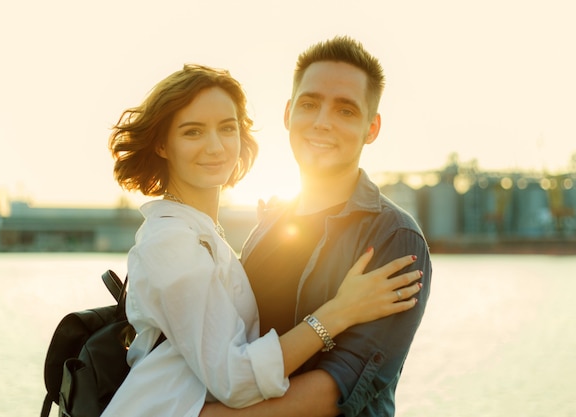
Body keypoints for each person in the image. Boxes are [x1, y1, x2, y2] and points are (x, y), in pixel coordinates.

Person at [100, 63, 423, 417]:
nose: (215, 146)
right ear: (162, 144)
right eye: (193, 132)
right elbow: (234, 379)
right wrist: (337, 313)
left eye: (227, 128)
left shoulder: (210, 236)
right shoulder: (172, 241)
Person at [201, 36, 432, 417]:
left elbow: (340, 386)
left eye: (345, 111)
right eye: (310, 104)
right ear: (289, 113)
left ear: (371, 128)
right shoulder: (269, 225)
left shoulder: (394, 238)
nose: (322, 122)